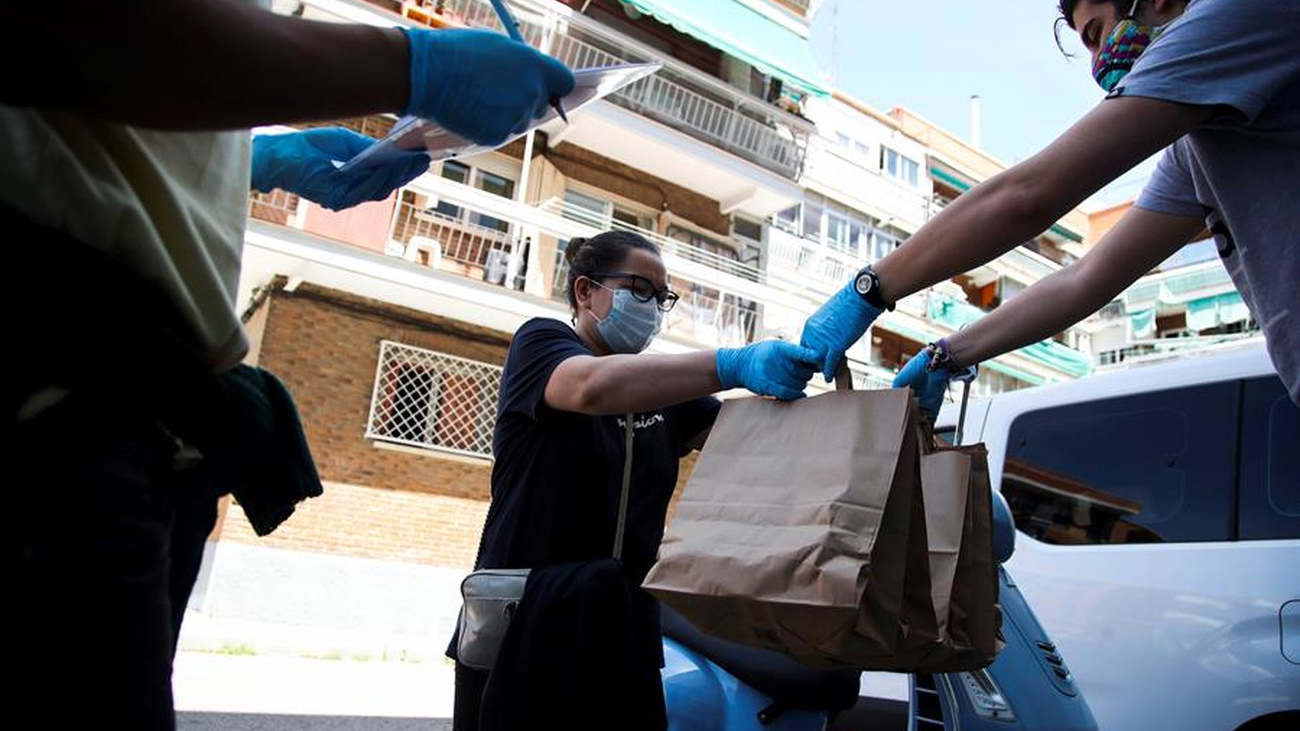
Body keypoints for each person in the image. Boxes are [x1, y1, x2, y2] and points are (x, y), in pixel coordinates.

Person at [3, 1, 575, 728]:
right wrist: (409, 65)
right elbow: (84, 31)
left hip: (141, 431)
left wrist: (254, 162)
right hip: (57, 417)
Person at [796, 0, 1299, 415]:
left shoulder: (1237, 16)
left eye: (1099, 32)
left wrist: (869, 290)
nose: (1103, 61)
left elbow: (1029, 196)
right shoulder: (1199, 145)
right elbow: (1084, 281)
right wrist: (946, 355)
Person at [451, 231, 818, 731]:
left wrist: (848, 407)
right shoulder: (541, 344)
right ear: (585, 291)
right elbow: (590, 388)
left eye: (660, 296)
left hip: (622, 625)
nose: (651, 306)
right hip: (531, 615)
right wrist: (731, 364)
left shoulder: (662, 389)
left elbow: (749, 437)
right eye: (639, 288)